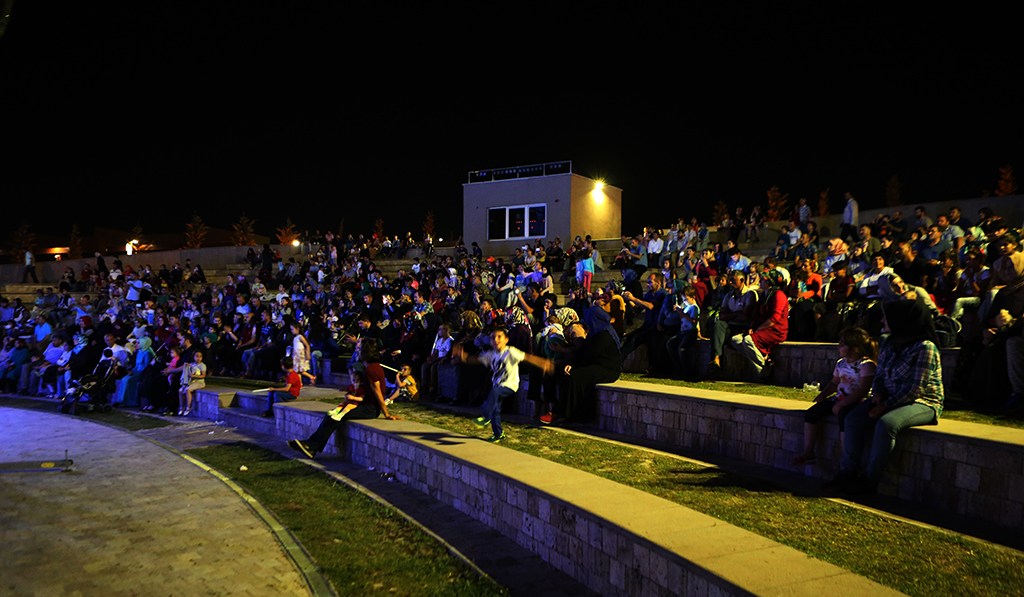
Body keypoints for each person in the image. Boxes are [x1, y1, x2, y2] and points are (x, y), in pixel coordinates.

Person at [823, 299, 943, 495]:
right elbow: (879, 374)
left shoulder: (925, 347)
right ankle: (846, 474)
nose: (882, 320)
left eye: (887, 316)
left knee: (887, 424)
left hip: (922, 402)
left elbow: (916, 388)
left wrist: (886, 404)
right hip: (887, 397)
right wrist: (878, 394)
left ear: (902, 319)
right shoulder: (888, 342)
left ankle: (869, 481)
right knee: (852, 418)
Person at [288, 346, 401, 459]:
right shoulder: (370, 368)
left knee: (335, 418)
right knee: (331, 415)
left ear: (366, 353)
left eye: (360, 349)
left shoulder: (372, 369)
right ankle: (311, 446)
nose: (357, 351)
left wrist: (386, 414)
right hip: (365, 405)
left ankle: (311, 446)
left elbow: (378, 393)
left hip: (369, 408)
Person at [792, 328, 878, 465]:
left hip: (857, 402)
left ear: (855, 348)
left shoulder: (866, 365)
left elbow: (863, 389)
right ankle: (808, 450)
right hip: (839, 399)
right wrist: (823, 394)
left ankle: (845, 457)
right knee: (812, 413)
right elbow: (834, 383)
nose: (839, 346)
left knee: (845, 417)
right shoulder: (841, 363)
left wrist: (842, 404)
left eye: (842, 344)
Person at [453, 328, 554, 443]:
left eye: (499, 337)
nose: (495, 340)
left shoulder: (510, 351)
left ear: (506, 340)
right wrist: (463, 357)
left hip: (510, 385)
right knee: (495, 409)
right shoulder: (491, 355)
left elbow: (527, 357)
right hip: (498, 385)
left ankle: (485, 417)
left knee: (494, 393)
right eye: (492, 338)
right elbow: (476, 360)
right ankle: (498, 434)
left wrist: (543, 363)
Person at [730, 269, 789, 377]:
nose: (760, 281)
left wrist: (758, 329)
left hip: (775, 330)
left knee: (748, 340)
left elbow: (774, 318)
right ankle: (764, 361)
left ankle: (762, 371)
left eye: (763, 280)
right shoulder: (763, 295)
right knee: (736, 340)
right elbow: (758, 315)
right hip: (763, 327)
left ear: (770, 282)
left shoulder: (778, 295)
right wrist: (753, 327)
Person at [178, 350, 207, 417]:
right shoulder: (192, 364)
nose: (198, 358)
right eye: (197, 356)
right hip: (191, 382)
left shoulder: (202, 365)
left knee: (187, 389)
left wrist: (194, 376)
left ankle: (188, 407)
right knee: (180, 390)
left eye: (200, 356)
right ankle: (181, 407)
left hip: (199, 382)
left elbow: (203, 375)